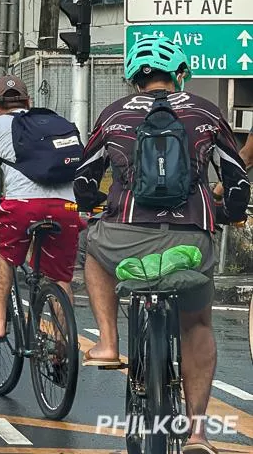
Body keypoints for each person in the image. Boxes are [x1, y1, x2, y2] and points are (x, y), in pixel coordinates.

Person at [73, 36, 249, 454]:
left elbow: (83, 181)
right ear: (180, 75)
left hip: (123, 239)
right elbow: (238, 180)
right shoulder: (206, 111)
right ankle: (198, 433)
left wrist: (96, 204)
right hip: (191, 240)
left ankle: (109, 342)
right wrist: (227, 213)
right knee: (198, 325)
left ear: (135, 78)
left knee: (92, 250)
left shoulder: (114, 114)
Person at [0, 75, 82, 341]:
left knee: (4, 257)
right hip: (66, 207)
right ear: (29, 102)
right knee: (60, 278)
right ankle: (62, 347)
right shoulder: (58, 124)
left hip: (21, 207)